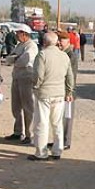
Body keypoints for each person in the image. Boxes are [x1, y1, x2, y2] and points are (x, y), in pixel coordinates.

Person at [29, 32, 75, 161]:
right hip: (59, 94)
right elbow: (70, 76)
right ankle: (57, 151)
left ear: (44, 42)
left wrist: (35, 87)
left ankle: (41, 153)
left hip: (44, 94)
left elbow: (38, 76)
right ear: (56, 42)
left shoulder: (42, 55)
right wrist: (69, 91)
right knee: (57, 123)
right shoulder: (64, 56)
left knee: (42, 123)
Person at [4, 24, 39, 145]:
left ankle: (30, 134)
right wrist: (14, 58)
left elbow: (25, 60)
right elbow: (9, 59)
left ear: (24, 34)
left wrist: (15, 59)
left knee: (28, 107)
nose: (16, 35)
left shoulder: (31, 46)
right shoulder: (20, 45)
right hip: (17, 77)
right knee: (16, 106)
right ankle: (18, 131)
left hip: (26, 77)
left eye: (18, 33)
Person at [57, 31, 79, 150]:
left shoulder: (71, 55)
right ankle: (58, 140)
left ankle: (66, 141)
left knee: (67, 118)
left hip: (67, 92)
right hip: (59, 91)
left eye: (62, 40)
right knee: (58, 118)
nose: (59, 42)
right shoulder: (60, 53)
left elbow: (72, 76)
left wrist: (69, 92)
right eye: (58, 39)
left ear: (68, 41)